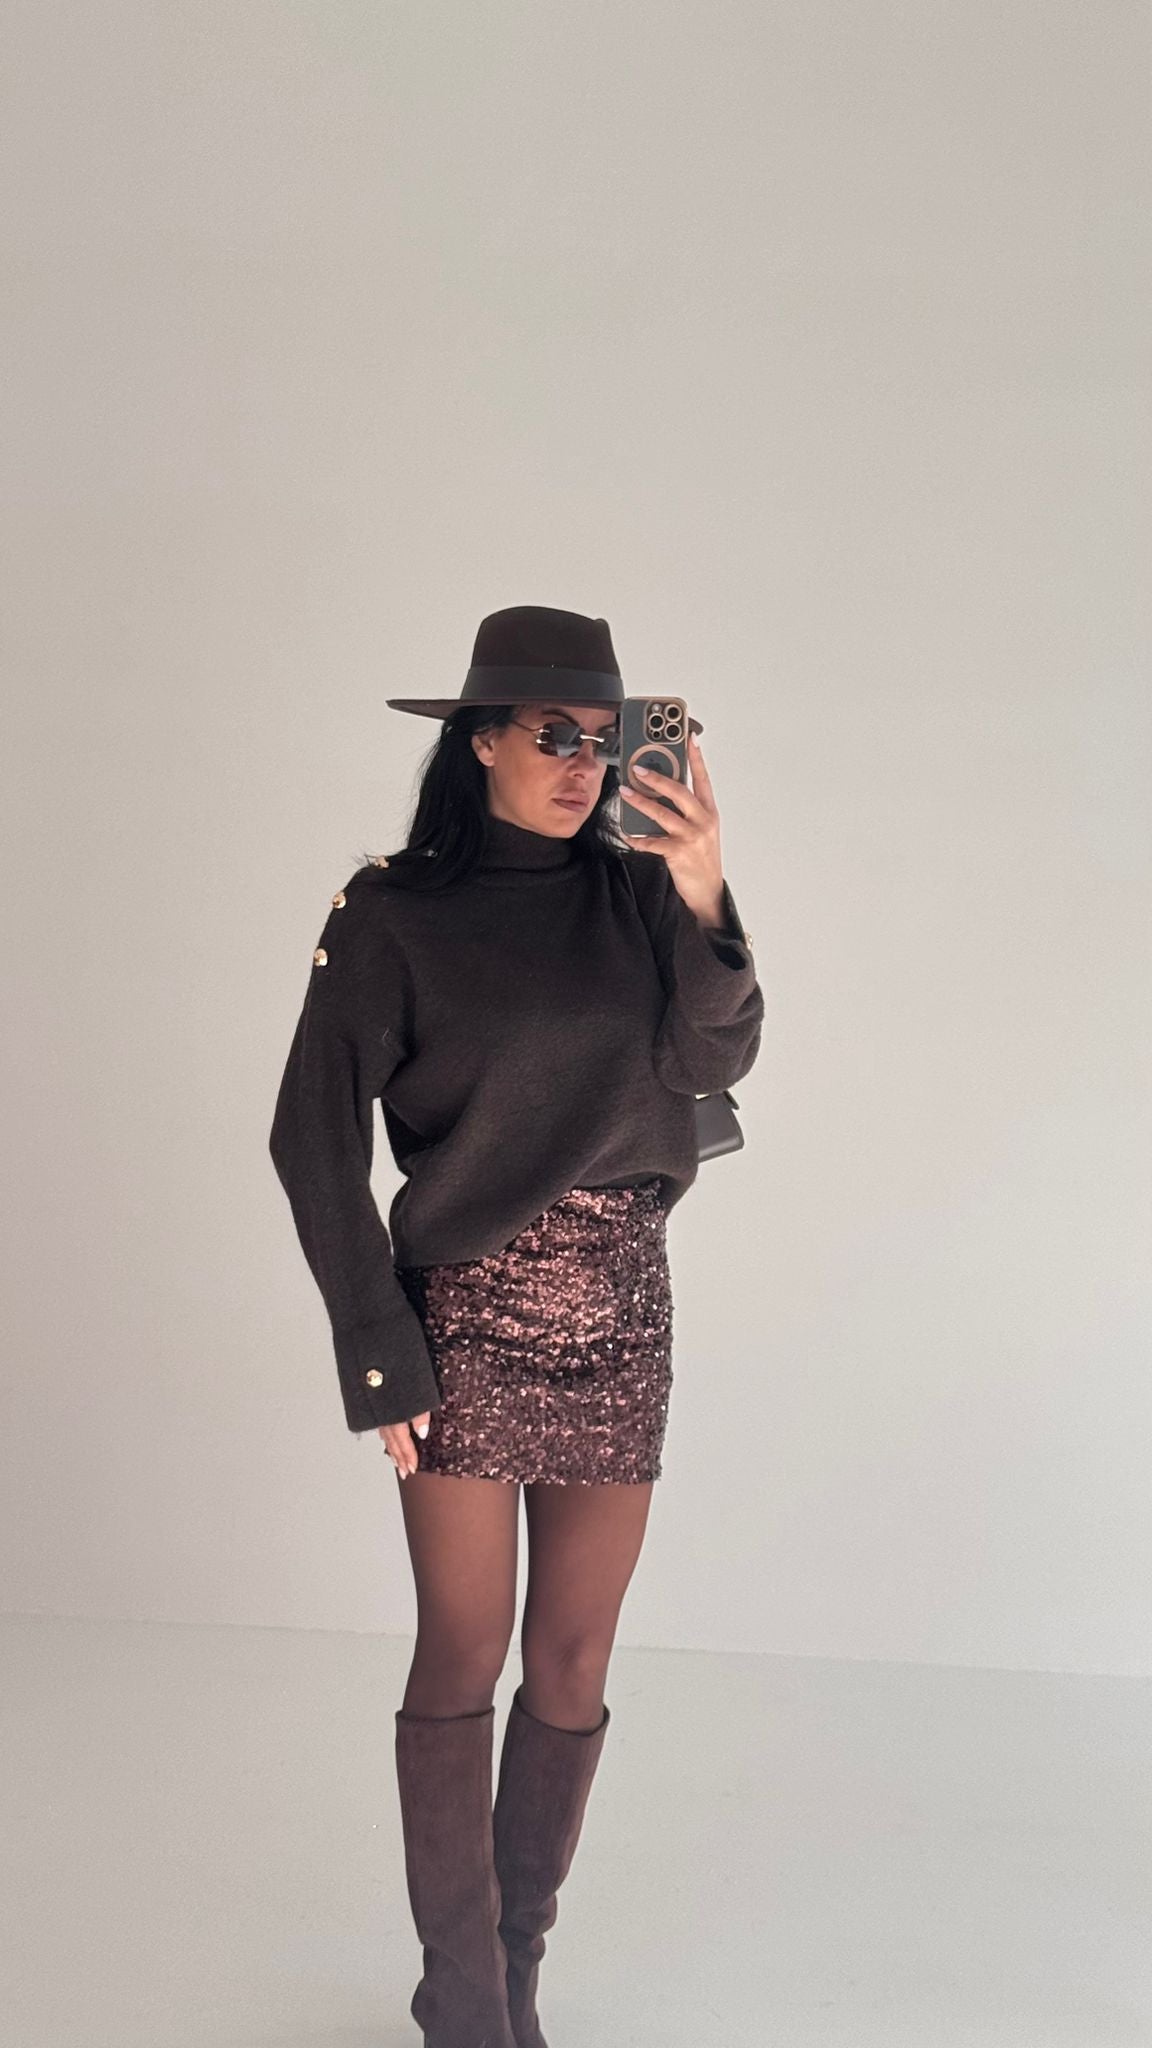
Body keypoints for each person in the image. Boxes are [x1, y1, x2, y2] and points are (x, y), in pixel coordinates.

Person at [269, 604, 763, 2047]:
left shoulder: (639, 891)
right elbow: (312, 1139)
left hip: (622, 1305)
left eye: (602, 741)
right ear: (480, 740)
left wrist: (706, 886)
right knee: (464, 1648)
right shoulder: (392, 915)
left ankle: (509, 1973)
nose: (581, 764)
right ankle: (466, 2004)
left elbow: (718, 1054)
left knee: (575, 1663)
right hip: (468, 1317)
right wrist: (378, 1351)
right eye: (554, 736)